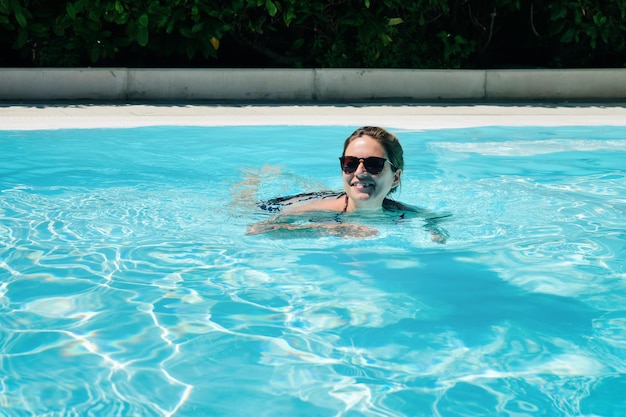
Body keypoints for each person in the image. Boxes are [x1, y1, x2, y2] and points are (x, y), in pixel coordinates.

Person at [246, 126, 449, 241]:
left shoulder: (403, 211)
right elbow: (256, 230)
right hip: (275, 205)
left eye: (373, 164)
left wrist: (434, 232)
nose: (359, 172)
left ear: (395, 177)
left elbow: (435, 219)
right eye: (350, 163)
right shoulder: (313, 211)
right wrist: (332, 230)